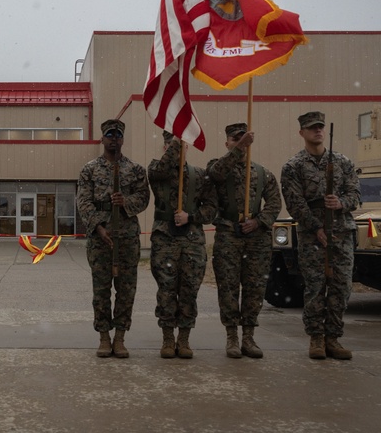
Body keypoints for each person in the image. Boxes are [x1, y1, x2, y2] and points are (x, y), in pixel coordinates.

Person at [280, 111, 360, 360]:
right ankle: (316, 338)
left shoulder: (343, 162)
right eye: (312, 127)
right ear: (302, 132)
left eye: (320, 127)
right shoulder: (293, 167)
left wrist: (341, 202)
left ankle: (333, 338)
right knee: (315, 286)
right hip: (311, 234)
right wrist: (316, 227)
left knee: (341, 287)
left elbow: (356, 195)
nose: (318, 131)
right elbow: (295, 204)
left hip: (342, 233)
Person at [206, 123, 282, 359]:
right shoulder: (218, 167)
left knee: (254, 288)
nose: (239, 142)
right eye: (234, 139)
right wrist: (239, 148)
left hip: (256, 238)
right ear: (227, 142)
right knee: (228, 288)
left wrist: (258, 222)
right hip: (228, 234)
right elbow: (216, 174)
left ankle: (248, 337)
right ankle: (232, 337)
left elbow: (274, 204)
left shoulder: (262, 173)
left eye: (243, 138)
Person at [75, 119, 149, 358]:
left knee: (126, 290)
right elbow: (83, 201)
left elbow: (144, 197)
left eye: (117, 135)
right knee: (101, 291)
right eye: (109, 134)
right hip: (100, 238)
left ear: (123, 138)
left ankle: (120, 338)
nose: (113, 138)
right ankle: (104, 337)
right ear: (102, 138)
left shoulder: (135, 170)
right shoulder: (89, 169)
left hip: (127, 237)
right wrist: (98, 227)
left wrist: (125, 202)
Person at [147, 131, 218, 359]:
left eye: (180, 145)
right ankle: (168, 338)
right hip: (164, 240)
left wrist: (192, 216)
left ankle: (184, 339)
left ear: (188, 148)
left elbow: (211, 208)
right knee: (166, 291)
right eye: (169, 145)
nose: (175, 149)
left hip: (192, 241)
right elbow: (163, 167)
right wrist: (177, 141)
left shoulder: (200, 176)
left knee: (189, 291)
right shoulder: (157, 171)